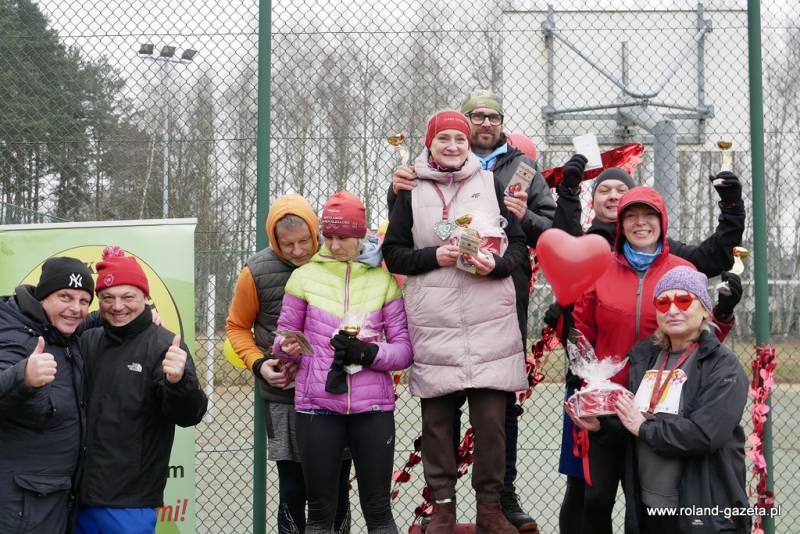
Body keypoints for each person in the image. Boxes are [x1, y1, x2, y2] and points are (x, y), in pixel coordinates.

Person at [390, 89, 554, 532]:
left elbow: (517, 247)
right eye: (443, 138)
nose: (453, 145)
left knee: (492, 424)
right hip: (436, 322)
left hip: (489, 322)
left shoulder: (492, 183)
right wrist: (435, 257)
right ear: (429, 143)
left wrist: (494, 265)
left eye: (459, 139)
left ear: (469, 145)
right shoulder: (410, 187)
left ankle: (491, 510)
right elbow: (394, 252)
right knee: (437, 425)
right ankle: (442, 510)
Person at [548, 164, 745, 533]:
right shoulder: (600, 267)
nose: (640, 223)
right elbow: (581, 335)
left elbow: (699, 339)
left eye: (649, 216)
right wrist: (564, 326)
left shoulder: (681, 270)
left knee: (649, 503)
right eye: (631, 217)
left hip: (660, 410)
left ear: (662, 221)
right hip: (607, 406)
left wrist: (723, 314)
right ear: (620, 224)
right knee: (593, 499)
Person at [273, 191, 413, 534]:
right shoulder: (303, 277)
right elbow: (282, 339)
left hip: (373, 408)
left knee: (379, 512)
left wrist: (369, 354)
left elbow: (404, 351)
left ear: (360, 236)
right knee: (320, 514)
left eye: (344, 238)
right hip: (317, 406)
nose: (334, 246)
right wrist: (287, 348)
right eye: (329, 237)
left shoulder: (383, 280)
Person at [226, 194, 352, 533]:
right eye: (287, 244)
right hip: (285, 398)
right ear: (274, 240)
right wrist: (259, 365)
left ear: (315, 232)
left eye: (303, 241)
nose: (297, 251)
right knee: (293, 486)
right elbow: (236, 326)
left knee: (337, 486)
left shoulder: (341, 261)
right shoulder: (256, 272)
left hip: (335, 393)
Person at [75, 247, 208, 534]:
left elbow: (189, 415)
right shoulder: (87, 341)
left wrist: (179, 382)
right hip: (77, 497)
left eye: (128, 297)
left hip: (130, 501)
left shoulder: (164, 345)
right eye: (108, 298)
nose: (117, 306)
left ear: (145, 297)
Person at [616, 266, 749, 533]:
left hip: (702, 511)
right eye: (663, 303)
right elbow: (631, 421)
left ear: (704, 310)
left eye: (684, 300)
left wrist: (644, 428)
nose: (673, 310)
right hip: (648, 508)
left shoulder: (723, 366)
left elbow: (704, 434)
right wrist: (600, 426)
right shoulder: (645, 359)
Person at [0, 257, 94, 534]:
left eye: (84, 300)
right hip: (20, 509)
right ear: (43, 297)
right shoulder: (14, 336)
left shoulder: (55, 331)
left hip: (49, 500)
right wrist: (23, 377)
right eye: (65, 297)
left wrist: (138, 315)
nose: (75, 308)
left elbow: (89, 319)